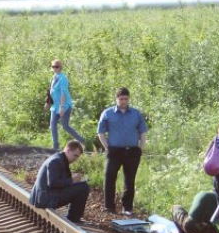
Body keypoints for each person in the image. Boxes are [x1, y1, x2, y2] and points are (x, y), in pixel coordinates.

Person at [97, 87, 148, 215]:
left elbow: (143, 131)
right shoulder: (108, 113)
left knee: (130, 180)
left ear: (128, 99)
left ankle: (127, 208)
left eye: (125, 99)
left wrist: (141, 148)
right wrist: (106, 147)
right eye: (121, 99)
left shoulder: (136, 114)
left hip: (132, 151)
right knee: (109, 177)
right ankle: (109, 207)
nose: (123, 101)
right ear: (116, 99)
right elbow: (100, 131)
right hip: (114, 151)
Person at [29, 140, 90, 224]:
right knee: (84, 187)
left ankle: (74, 216)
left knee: (81, 186)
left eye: (77, 157)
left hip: (44, 196)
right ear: (68, 150)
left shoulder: (59, 158)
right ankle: (73, 218)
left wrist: (72, 180)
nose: (76, 159)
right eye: (75, 155)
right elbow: (52, 183)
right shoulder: (56, 161)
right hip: (45, 199)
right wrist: (72, 180)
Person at [47, 59, 84, 150]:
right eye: (53, 66)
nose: (55, 68)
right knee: (52, 125)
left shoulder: (63, 78)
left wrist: (62, 107)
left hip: (65, 105)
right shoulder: (54, 77)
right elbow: (51, 91)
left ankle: (81, 140)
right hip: (55, 106)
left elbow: (63, 93)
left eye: (57, 66)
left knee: (65, 126)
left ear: (60, 67)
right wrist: (47, 102)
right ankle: (55, 146)